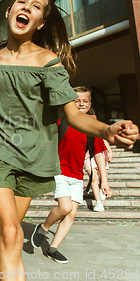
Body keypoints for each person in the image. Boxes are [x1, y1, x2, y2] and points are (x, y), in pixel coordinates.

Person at [0, 0, 138, 281]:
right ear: (9, 10)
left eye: (36, 6)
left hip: (34, 159)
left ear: (41, 22)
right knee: (11, 233)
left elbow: (73, 115)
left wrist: (106, 129)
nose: (27, 8)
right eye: (22, 1)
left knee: (9, 234)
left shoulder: (48, 64)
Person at [30, 86, 112, 264]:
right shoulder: (61, 120)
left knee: (71, 214)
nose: (81, 103)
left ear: (90, 104)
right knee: (65, 207)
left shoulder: (92, 127)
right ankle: (43, 228)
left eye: (85, 101)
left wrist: (104, 180)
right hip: (59, 170)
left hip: (77, 175)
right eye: (76, 100)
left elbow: (98, 154)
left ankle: (53, 248)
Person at [84, 108, 113, 212]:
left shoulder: (97, 129)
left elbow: (103, 139)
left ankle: (102, 189)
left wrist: (109, 150)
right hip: (86, 155)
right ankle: (98, 202)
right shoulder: (80, 130)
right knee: (93, 177)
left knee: (101, 174)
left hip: (99, 152)